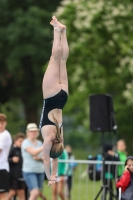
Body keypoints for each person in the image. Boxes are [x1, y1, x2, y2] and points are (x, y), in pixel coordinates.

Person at [39, 16, 69, 186]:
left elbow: (55, 156)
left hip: (63, 97)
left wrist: (54, 176)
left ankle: (63, 32)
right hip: (50, 96)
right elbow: (46, 160)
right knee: (54, 59)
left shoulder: (59, 138)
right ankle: (57, 30)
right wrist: (49, 176)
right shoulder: (48, 140)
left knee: (63, 61)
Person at [21, 123, 47, 200]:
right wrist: (45, 145)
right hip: (29, 171)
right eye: (31, 131)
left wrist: (38, 157)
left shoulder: (39, 143)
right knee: (35, 192)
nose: (33, 133)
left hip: (40, 171)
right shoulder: (25, 142)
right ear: (28, 132)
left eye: (35, 131)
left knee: (36, 194)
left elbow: (44, 156)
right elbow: (34, 152)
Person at [7, 133, 26, 200]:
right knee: (12, 192)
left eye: (23, 141)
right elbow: (5, 159)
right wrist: (12, 159)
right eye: (20, 141)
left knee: (21, 193)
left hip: (21, 175)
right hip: (13, 176)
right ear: (15, 141)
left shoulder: (24, 150)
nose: (22, 143)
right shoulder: (13, 149)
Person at [0, 113, 12, 200]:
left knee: (2, 195)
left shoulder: (5, 135)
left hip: (2, 168)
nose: (0, 125)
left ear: (5, 123)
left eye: (2, 123)